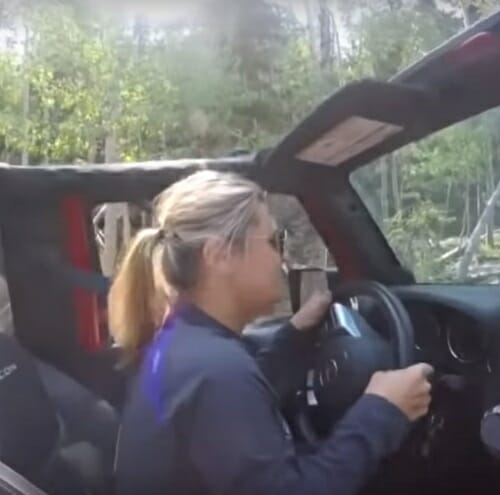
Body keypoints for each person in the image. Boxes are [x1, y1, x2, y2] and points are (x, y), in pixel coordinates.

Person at [110, 170, 433, 495]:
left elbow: (232, 417)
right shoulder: (218, 372)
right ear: (219, 255)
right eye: (274, 242)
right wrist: (381, 411)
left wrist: (294, 337)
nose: (283, 258)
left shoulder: (181, 343)